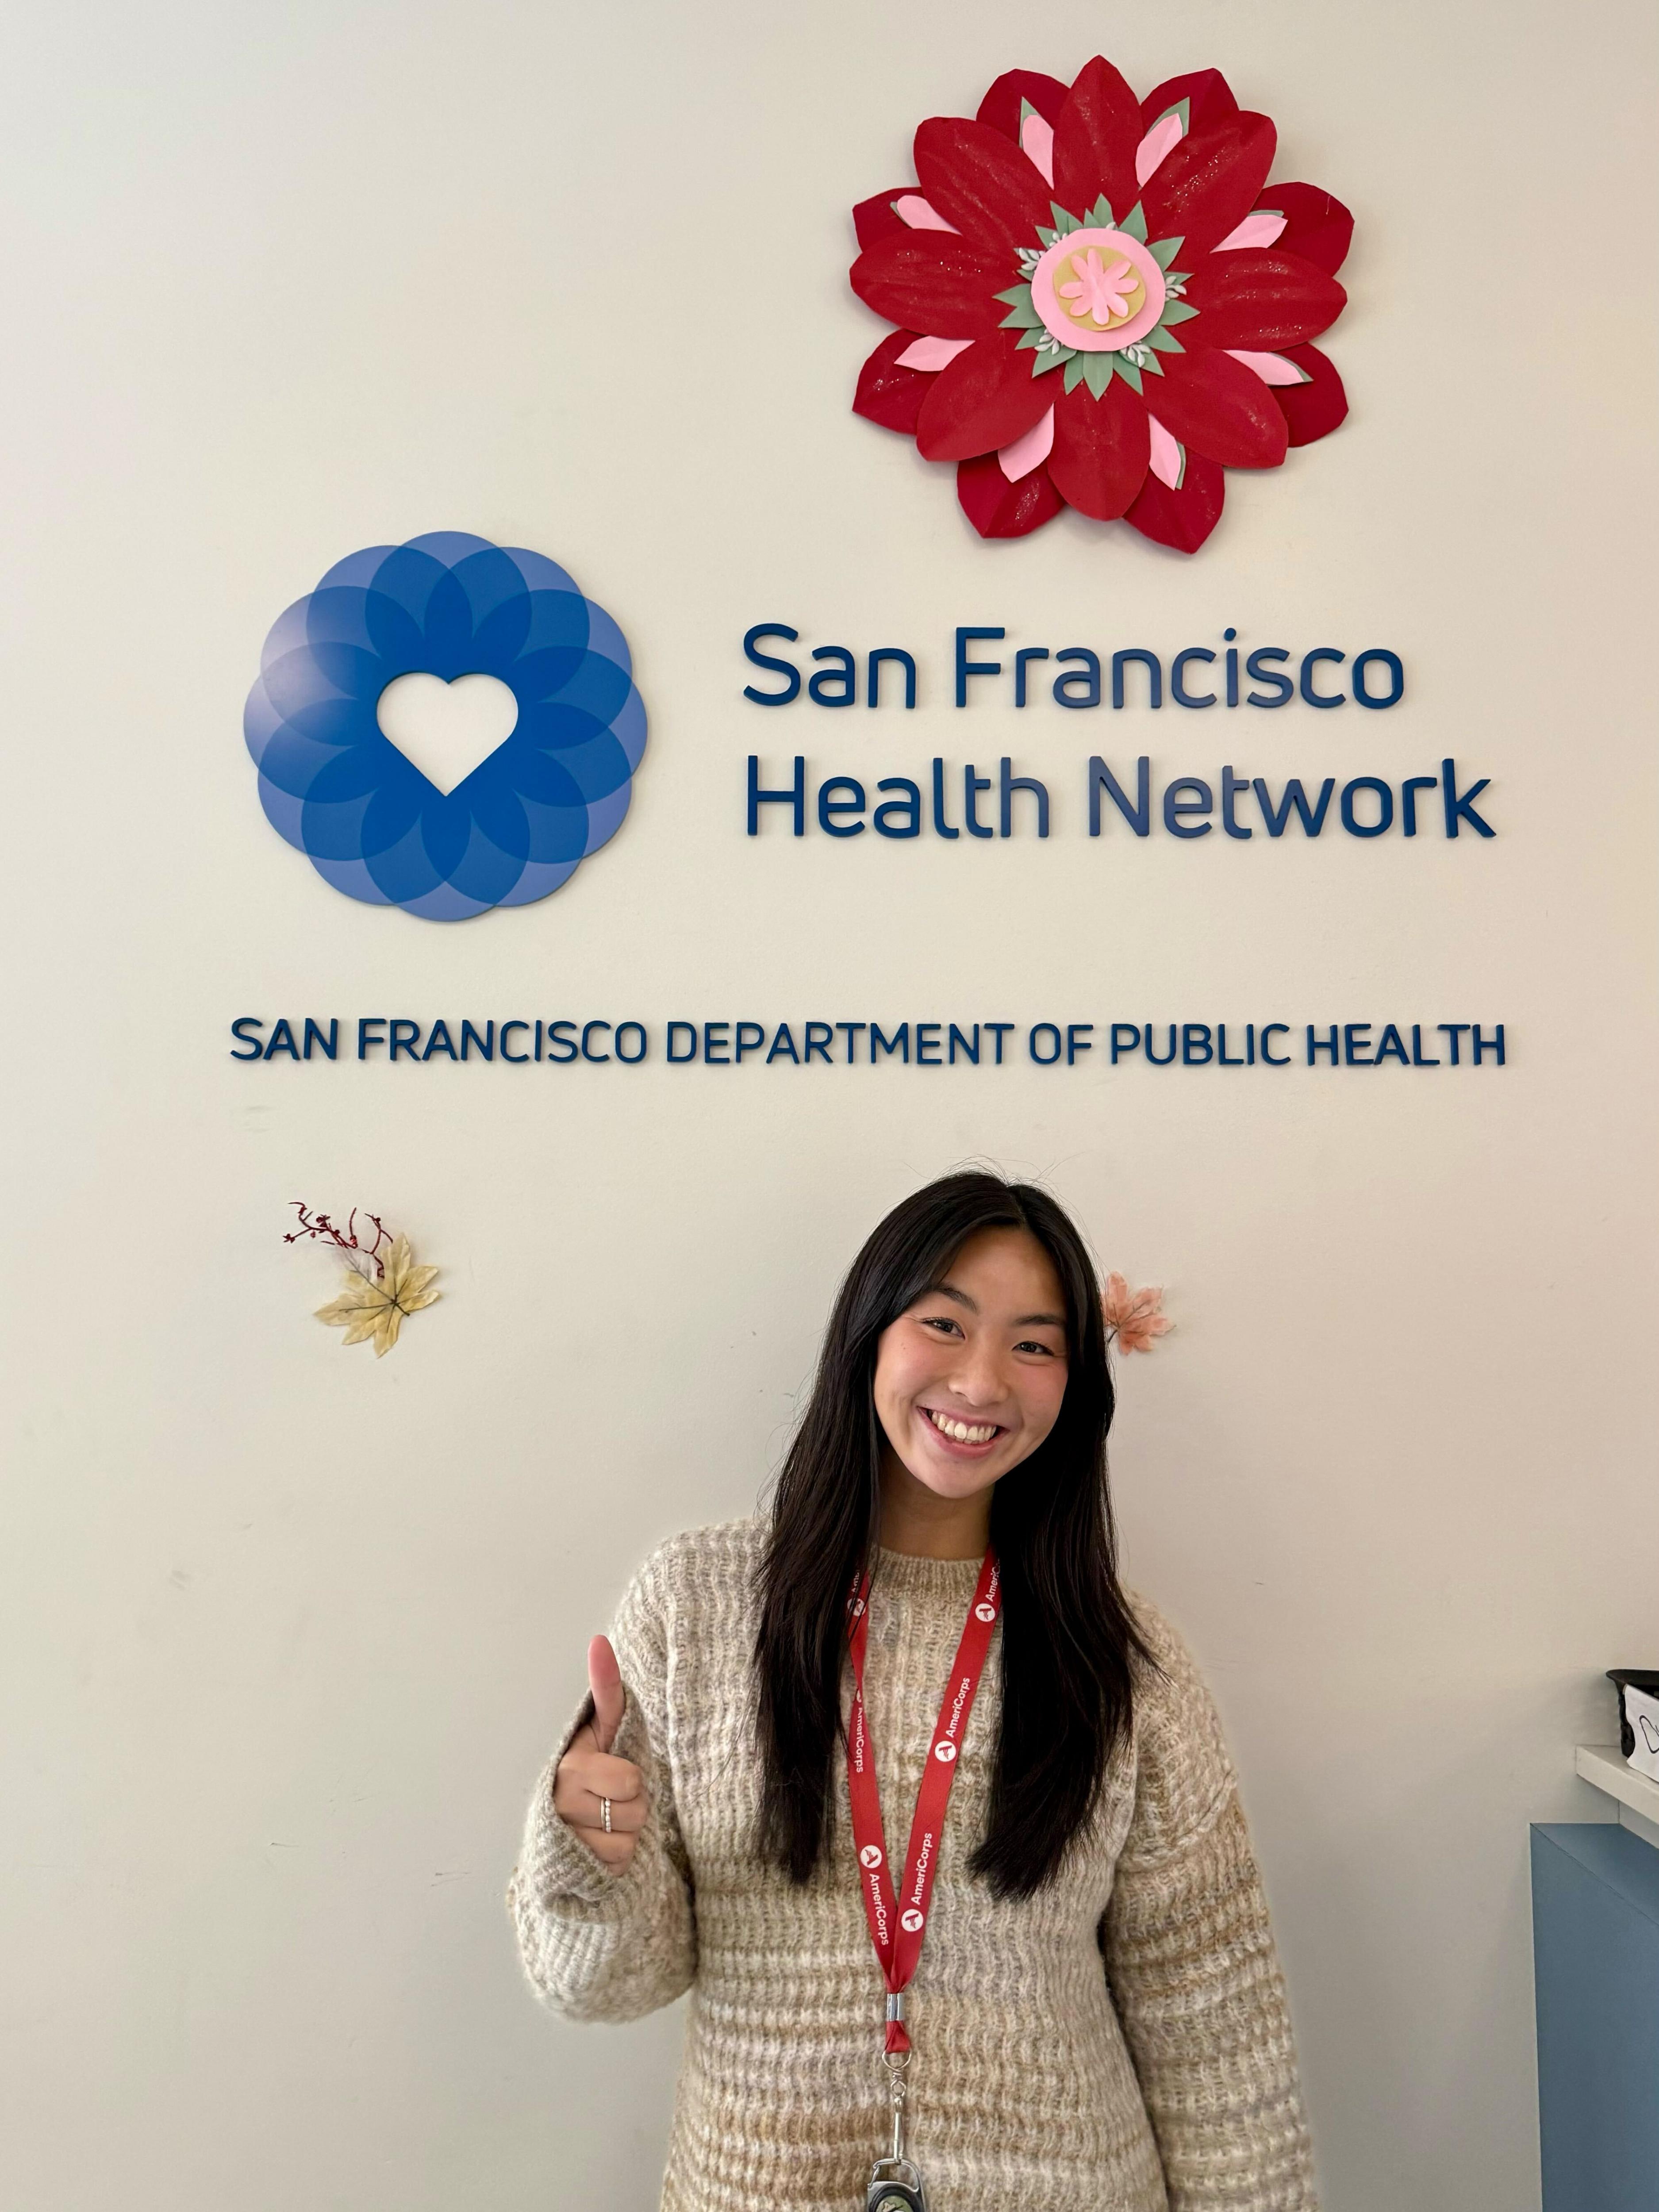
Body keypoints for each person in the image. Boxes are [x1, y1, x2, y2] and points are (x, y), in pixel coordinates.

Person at [508, 1171, 1317, 2211]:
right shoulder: (697, 1606)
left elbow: (1218, 2034)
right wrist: (595, 1852)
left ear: (1074, 1388)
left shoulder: (1122, 1658)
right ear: (869, 1337)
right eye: (945, 1322)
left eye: (1034, 1344)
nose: (981, 1383)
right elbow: (604, 1983)